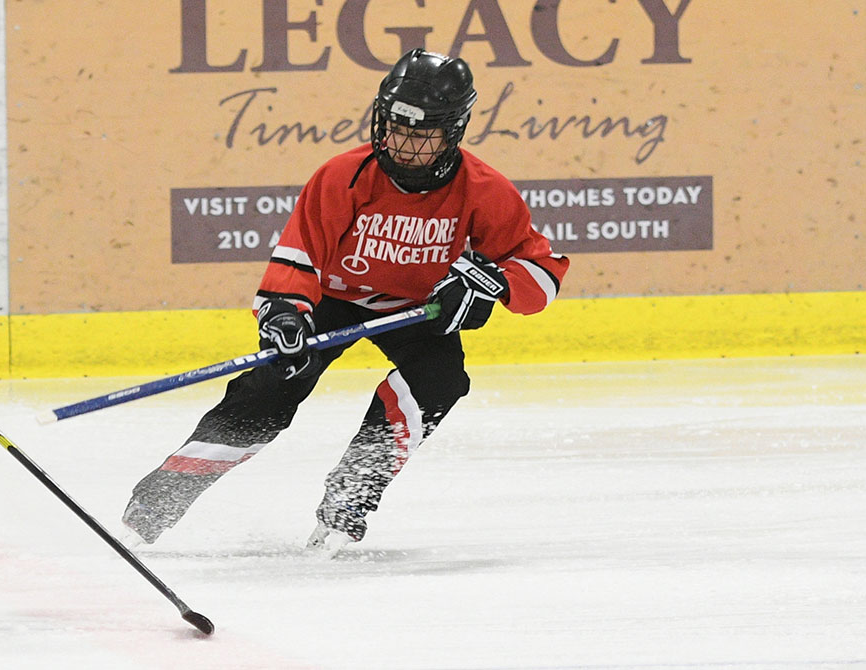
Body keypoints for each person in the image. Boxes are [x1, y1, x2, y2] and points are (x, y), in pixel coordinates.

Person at [120, 49, 571, 557]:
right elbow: (299, 256)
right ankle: (152, 507)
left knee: (440, 382)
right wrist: (285, 313)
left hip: (416, 310)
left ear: (454, 131)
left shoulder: (485, 191)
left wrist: (490, 284)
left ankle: (349, 499)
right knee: (275, 382)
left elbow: (541, 269)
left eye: (421, 135)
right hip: (332, 299)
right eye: (395, 127)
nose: (402, 144)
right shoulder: (343, 175)